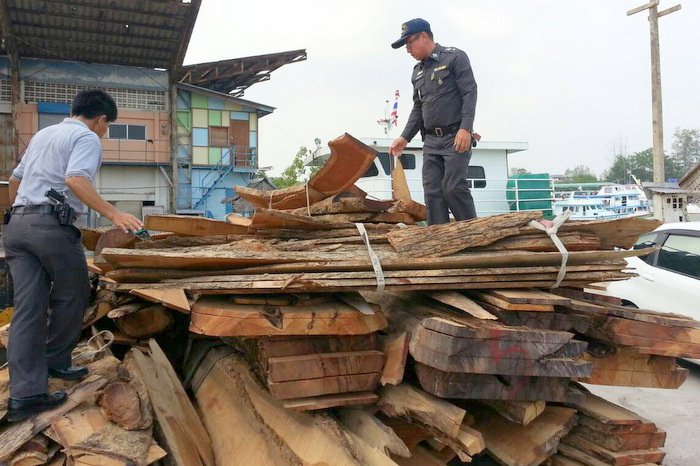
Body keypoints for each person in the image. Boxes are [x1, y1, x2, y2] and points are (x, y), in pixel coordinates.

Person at [3, 89, 143, 422]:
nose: (104, 133)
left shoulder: (44, 134)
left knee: (27, 309)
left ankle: (25, 397)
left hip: (17, 225)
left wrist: (17, 214)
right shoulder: (86, 137)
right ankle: (55, 359)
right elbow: (75, 179)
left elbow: (14, 180)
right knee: (76, 290)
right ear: (101, 119)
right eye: (107, 127)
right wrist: (114, 214)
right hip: (49, 227)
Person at [389, 18, 478, 225]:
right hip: (431, 141)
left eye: (409, 43)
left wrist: (466, 128)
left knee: (453, 187)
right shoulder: (417, 72)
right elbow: (418, 108)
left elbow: (469, 93)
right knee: (433, 191)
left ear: (424, 36)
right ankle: (438, 237)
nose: (408, 49)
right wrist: (404, 137)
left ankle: (472, 232)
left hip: (455, 136)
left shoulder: (455, 57)